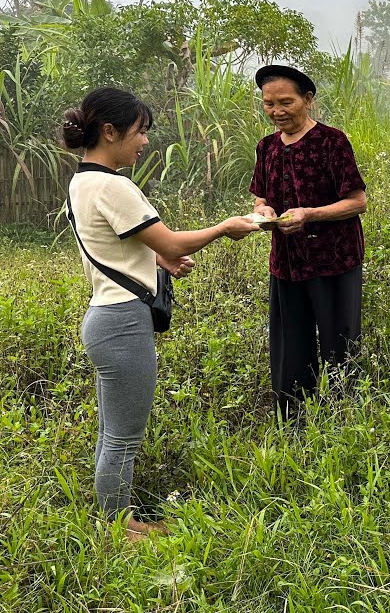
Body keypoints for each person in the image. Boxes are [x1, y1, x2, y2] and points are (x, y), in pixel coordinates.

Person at [63, 87, 261, 541]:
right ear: (109, 131)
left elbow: (109, 242)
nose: (145, 141)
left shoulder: (82, 181)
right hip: (122, 322)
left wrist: (155, 260)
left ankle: (114, 517)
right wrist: (224, 228)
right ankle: (121, 528)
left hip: (104, 317)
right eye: (140, 131)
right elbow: (171, 241)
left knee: (111, 431)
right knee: (123, 437)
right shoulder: (114, 185)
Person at [250, 64, 367, 420]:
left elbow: (357, 202)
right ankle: (293, 418)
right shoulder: (266, 147)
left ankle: (344, 416)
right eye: (269, 104)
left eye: (286, 102)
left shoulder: (332, 141)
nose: (277, 111)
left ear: (308, 100)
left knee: (339, 342)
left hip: (334, 260)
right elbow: (259, 198)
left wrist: (309, 214)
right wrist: (264, 211)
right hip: (286, 263)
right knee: (290, 344)